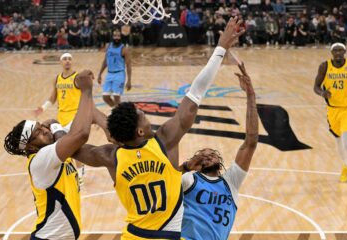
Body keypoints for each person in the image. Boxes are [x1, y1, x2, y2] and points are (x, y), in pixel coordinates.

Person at [72, 17, 245, 239]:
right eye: (142, 116)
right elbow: (196, 92)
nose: (145, 114)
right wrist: (220, 48)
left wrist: (79, 102)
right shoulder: (164, 141)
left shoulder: (110, 155)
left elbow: (74, 142)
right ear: (140, 132)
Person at [4, 70, 96, 240]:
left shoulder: (53, 146)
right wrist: (86, 91)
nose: (44, 131)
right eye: (38, 132)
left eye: (42, 126)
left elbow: (83, 121)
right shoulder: (41, 160)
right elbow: (81, 134)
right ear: (30, 146)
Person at [180, 63, 258, 240]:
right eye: (203, 155)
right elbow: (165, 184)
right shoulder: (189, 179)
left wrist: (251, 95)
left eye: (212, 153)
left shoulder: (231, 181)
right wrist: (185, 167)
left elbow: (251, 142)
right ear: (197, 164)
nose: (208, 155)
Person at [34, 53, 109, 185]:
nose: (67, 61)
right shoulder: (57, 78)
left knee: (71, 146)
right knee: (66, 147)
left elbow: (87, 95)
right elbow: (53, 97)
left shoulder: (77, 78)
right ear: (61, 62)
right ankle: (76, 170)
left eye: (69, 59)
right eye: (65, 59)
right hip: (61, 117)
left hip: (75, 117)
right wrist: (42, 108)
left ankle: (79, 175)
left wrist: (94, 115)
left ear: (72, 62)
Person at [313, 43, 347, 197]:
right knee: (339, 142)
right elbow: (316, 86)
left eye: (340, 50)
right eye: (335, 50)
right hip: (333, 109)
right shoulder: (324, 66)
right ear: (331, 53)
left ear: (345, 52)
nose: (338, 53)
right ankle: (345, 166)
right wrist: (321, 93)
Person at [97, 28, 132, 107]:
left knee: (116, 97)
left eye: (118, 36)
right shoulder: (108, 46)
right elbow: (105, 61)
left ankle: (118, 115)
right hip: (109, 74)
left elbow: (129, 65)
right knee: (105, 97)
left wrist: (129, 80)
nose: (116, 37)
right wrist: (100, 74)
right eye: (115, 36)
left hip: (119, 74)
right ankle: (117, 111)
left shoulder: (124, 49)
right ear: (112, 36)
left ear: (121, 37)